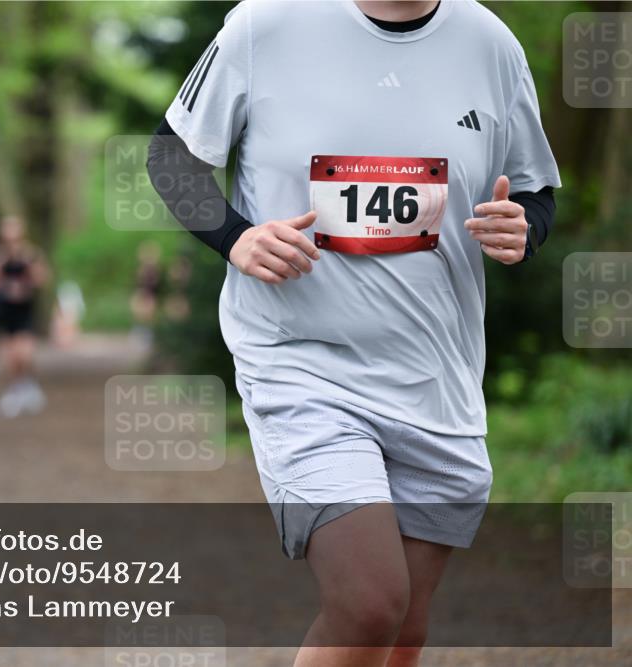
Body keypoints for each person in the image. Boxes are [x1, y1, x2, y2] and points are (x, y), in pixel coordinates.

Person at [147, 2, 559, 666]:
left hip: (437, 378)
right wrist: (236, 237)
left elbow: (536, 192)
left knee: (404, 627)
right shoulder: (265, 25)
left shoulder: (491, 44)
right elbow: (171, 155)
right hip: (301, 367)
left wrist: (523, 228)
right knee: (369, 606)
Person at [0, 216, 50, 418]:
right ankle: (13, 391)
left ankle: (28, 385)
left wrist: (26, 281)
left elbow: (42, 279)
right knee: (9, 357)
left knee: (25, 353)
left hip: (25, 311)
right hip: (4, 311)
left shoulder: (31, 255)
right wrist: (4, 284)